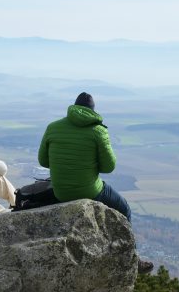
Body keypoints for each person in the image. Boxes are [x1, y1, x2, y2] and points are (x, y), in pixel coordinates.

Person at [38, 91, 153, 273]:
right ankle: (131, 260)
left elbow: (43, 161)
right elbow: (109, 167)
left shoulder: (53, 127)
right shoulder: (98, 130)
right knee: (124, 210)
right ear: (92, 110)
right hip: (90, 191)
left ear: (73, 107)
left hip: (60, 191)